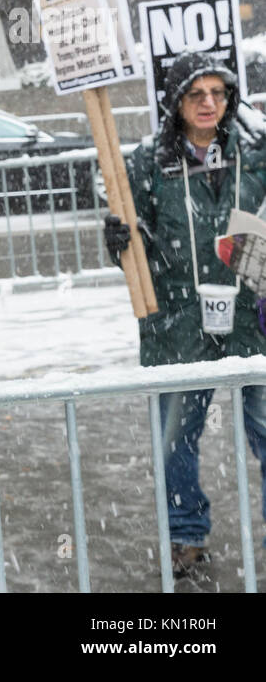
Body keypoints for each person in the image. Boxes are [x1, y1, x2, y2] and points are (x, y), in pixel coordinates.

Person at [108, 52, 266, 579]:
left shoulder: (254, 152)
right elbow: (127, 227)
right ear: (176, 102)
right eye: (197, 94)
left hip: (251, 313)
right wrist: (118, 237)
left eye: (218, 93)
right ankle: (185, 535)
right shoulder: (147, 161)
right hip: (177, 319)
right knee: (176, 435)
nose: (209, 103)